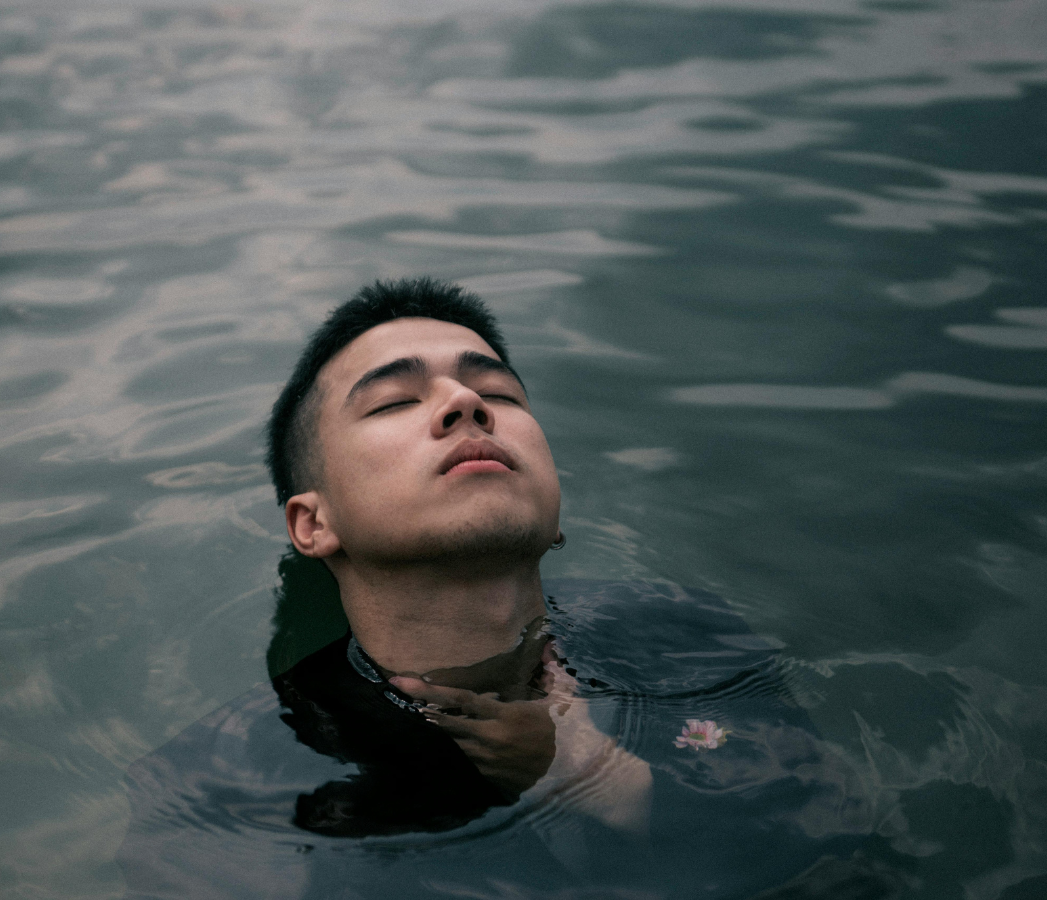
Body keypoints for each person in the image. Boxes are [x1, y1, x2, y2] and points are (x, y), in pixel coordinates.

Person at [117, 279, 894, 899]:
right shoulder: (227, 782)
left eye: (503, 394)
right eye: (394, 401)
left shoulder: (684, 637)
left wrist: (607, 782)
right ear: (312, 524)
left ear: (552, 506)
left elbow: (850, 852)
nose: (466, 403)